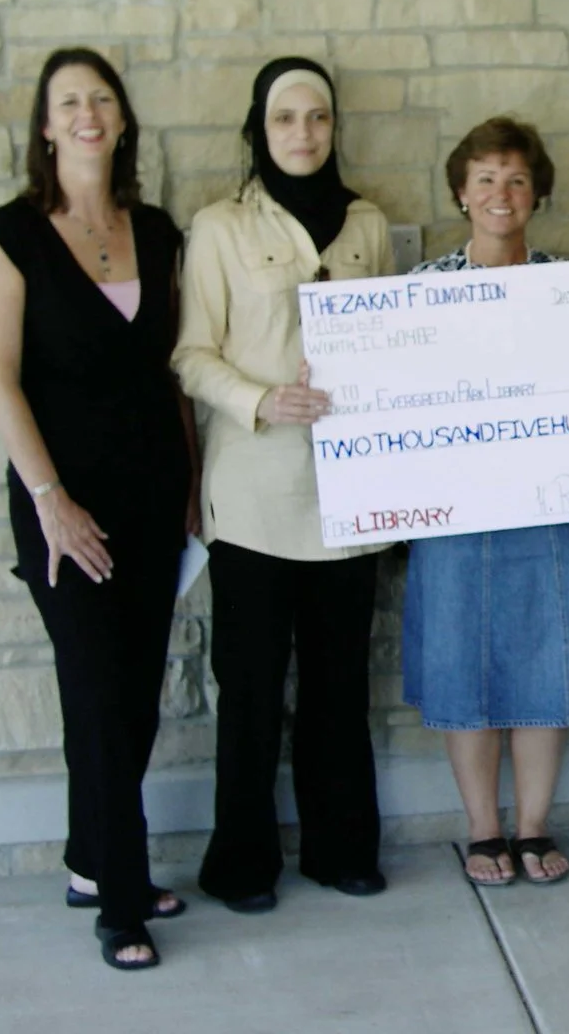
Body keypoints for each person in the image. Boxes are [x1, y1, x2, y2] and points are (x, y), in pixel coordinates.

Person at [0, 47, 195, 970]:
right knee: (99, 694)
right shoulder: (10, 234)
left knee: (133, 696)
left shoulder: (156, 229)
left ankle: (87, 863)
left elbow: (171, 371)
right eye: (70, 102)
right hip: (64, 504)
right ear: (47, 126)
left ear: (123, 118)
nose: (88, 113)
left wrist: (190, 486)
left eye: (102, 98)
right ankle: (123, 899)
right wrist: (51, 500)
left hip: (152, 499)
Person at [173, 57, 394, 913]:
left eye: (318, 118)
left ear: (335, 128)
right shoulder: (220, 227)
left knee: (340, 686)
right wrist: (264, 399)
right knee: (253, 691)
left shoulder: (367, 224)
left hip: (349, 498)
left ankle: (342, 850)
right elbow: (191, 353)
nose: (303, 133)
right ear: (259, 129)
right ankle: (241, 864)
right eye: (285, 119)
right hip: (257, 499)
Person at [402, 116, 569, 887]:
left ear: (537, 192)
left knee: (550, 661)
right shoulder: (413, 298)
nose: (500, 194)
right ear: (459, 193)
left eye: (515, 179)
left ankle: (533, 824)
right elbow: (389, 410)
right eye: (484, 179)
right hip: (452, 512)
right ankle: (483, 829)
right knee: (463, 663)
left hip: (553, 508)